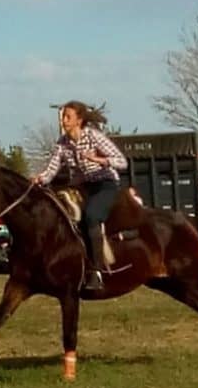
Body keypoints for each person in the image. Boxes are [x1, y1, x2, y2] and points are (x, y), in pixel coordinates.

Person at [32, 101, 129, 291]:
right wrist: (39, 179)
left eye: (68, 117)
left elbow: (122, 162)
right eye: (63, 116)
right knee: (61, 214)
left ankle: (97, 271)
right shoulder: (62, 143)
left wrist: (99, 159)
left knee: (91, 216)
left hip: (105, 184)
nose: (63, 120)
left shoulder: (94, 136)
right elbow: (51, 170)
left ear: (79, 120)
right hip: (82, 187)